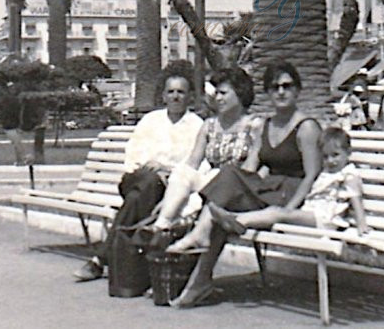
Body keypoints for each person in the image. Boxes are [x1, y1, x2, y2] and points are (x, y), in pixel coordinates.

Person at [166, 60, 322, 308]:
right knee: (223, 202)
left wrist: (290, 209)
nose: (281, 92)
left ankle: (198, 263)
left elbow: (312, 175)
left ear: (297, 90)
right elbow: (249, 168)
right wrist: (232, 189)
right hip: (267, 189)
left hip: (290, 192)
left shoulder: (306, 127)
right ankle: (199, 279)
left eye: (287, 86)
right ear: (268, 93)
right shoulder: (267, 125)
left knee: (221, 210)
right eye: (274, 87)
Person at [74, 61, 204, 283]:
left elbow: (195, 164)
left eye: (181, 92)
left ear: (190, 96)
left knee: (140, 197)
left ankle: (103, 259)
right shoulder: (151, 120)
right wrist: (150, 166)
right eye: (170, 92)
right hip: (137, 179)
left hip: (170, 187)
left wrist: (168, 170)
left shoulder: (196, 125)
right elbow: (133, 154)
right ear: (163, 96)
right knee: (146, 184)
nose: (175, 97)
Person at [146, 66, 262, 235]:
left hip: (237, 186)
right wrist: (170, 196)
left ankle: (164, 227)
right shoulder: (210, 125)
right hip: (209, 183)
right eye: (217, 93)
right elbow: (192, 164)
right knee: (183, 172)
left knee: (205, 186)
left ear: (240, 94)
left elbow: (250, 169)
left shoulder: (255, 125)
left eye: (223, 93)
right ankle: (162, 224)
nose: (218, 98)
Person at [205, 127, 370, 237]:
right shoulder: (328, 172)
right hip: (312, 214)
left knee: (278, 212)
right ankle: (236, 220)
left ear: (348, 153)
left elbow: (356, 198)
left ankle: (239, 220)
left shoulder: (348, 174)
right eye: (326, 157)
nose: (330, 161)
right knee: (277, 211)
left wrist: (361, 224)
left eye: (335, 155)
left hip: (326, 220)